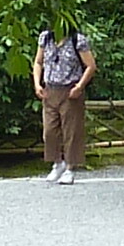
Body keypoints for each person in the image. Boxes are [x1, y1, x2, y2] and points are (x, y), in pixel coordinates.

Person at [33, 22, 98, 184]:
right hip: (50, 89)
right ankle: (57, 162)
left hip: (70, 90)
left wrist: (79, 86)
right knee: (49, 131)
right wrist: (37, 83)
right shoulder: (45, 38)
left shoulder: (78, 40)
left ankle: (70, 167)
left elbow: (90, 66)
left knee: (71, 130)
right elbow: (38, 62)